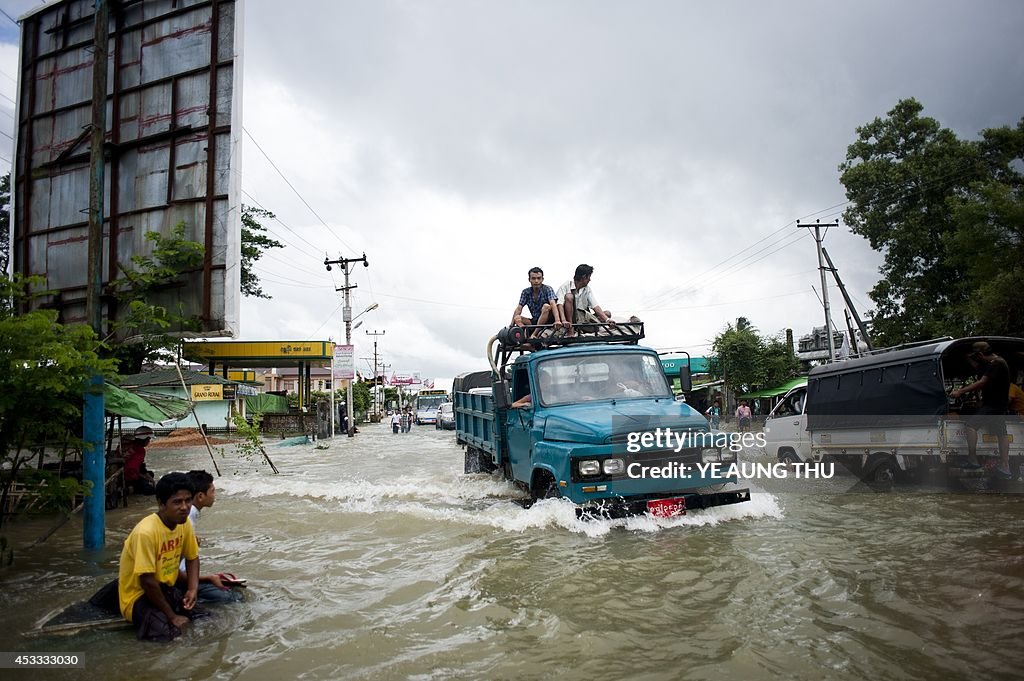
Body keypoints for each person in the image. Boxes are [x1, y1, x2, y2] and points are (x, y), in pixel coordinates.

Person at [117, 472, 202, 641]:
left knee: (205, 618)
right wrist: (172, 617)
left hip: (165, 587)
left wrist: (193, 589)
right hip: (138, 597)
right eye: (177, 502)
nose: (184, 507)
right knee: (168, 637)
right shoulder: (146, 533)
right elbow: (147, 582)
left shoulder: (183, 524)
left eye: (188, 501)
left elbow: (193, 557)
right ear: (162, 504)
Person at [178, 470, 243, 604]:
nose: (215, 495)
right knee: (234, 598)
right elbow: (176, 572)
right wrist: (208, 578)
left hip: (184, 578)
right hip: (180, 582)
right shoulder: (186, 520)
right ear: (201, 496)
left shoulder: (188, 516)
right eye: (213, 491)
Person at [950, 341, 1011, 477]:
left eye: (976, 356)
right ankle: (1005, 466)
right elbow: (978, 369)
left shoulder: (996, 364)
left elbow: (982, 382)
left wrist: (960, 391)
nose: (976, 360)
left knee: (970, 426)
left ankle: (973, 459)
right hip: (999, 405)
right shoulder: (997, 363)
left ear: (981, 354)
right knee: (1002, 433)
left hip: (993, 405)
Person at [556, 264, 615, 336]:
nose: (590, 280)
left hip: (583, 317)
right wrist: (564, 320)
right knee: (569, 296)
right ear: (584, 277)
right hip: (570, 317)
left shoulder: (587, 289)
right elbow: (560, 304)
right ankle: (570, 329)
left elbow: (595, 306)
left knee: (607, 314)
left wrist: (607, 320)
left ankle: (584, 328)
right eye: (589, 277)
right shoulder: (566, 286)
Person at [511, 267, 565, 337]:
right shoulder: (526, 292)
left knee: (546, 306)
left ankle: (534, 334)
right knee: (517, 317)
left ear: (542, 279)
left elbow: (553, 304)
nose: (536, 281)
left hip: (547, 320)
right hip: (535, 320)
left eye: (539, 278)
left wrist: (557, 320)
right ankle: (524, 334)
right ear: (529, 280)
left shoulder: (547, 289)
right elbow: (519, 308)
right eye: (533, 278)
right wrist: (511, 324)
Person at [122, 426, 156, 495]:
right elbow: (131, 469)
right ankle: (131, 489)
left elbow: (140, 466)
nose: (149, 441)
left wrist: (147, 476)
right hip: (129, 477)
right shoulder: (140, 450)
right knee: (151, 490)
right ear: (144, 439)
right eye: (148, 439)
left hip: (124, 474)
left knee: (150, 474)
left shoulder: (131, 446)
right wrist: (144, 477)